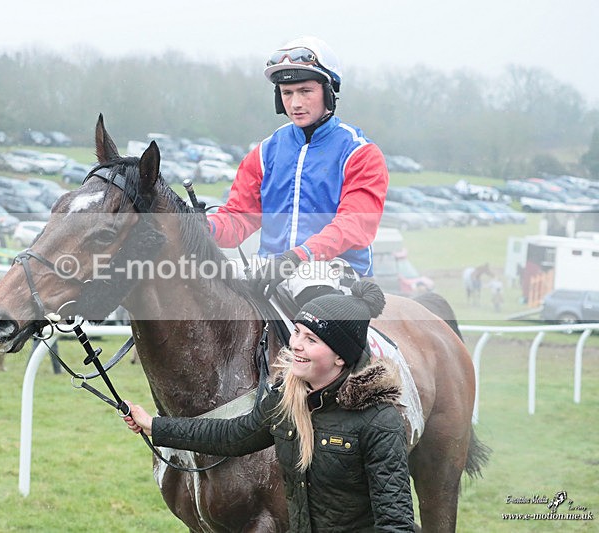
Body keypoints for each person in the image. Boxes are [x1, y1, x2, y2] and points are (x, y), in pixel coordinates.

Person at [124, 280, 414, 532]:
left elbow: (395, 522)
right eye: (297, 332)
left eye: (311, 339)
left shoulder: (379, 420)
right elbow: (232, 435)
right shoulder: (286, 401)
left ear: (340, 357)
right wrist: (155, 426)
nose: (296, 345)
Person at [206, 36, 389, 303]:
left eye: (305, 91)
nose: (295, 104)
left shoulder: (360, 153)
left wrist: (299, 256)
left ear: (328, 92)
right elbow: (239, 219)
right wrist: (201, 226)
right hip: (270, 269)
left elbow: (354, 225)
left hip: (337, 271)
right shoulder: (264, 152)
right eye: (287, 93)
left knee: (310, 284)